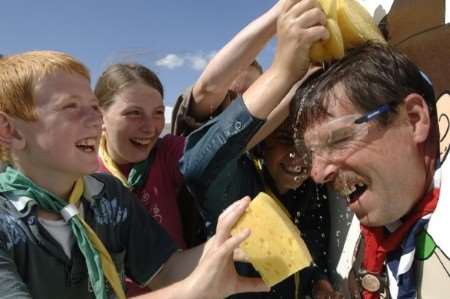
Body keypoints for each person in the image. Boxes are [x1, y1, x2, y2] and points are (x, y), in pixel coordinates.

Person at [0, 50, 269, 299]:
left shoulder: (108, 195)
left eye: (94, 107)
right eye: (70, 106)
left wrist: (224, 246)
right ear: (10, 131)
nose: (95, 120)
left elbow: (166, 270)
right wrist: (190, 291)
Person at [180, 0, 340, 298]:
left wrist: (320, 282)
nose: (296, 154)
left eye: (303, 141)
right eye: (282, 138)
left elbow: (314, 252)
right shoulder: (236, 189)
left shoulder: (313, 189)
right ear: (261, 143)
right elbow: (200, 164)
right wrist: (289, 73)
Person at [291, 43, 450, 298]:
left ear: (414, 119)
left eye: (338, 140)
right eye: (311, 156)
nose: (318, 175)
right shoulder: (376, 226)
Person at [95, 63, 206, 297]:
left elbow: (227, 139)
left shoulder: (166, 153)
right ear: (99, 115)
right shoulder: (81, 171)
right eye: (133, 113)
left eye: (157, 113)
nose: (149, 127)